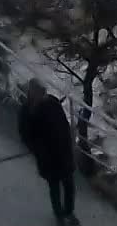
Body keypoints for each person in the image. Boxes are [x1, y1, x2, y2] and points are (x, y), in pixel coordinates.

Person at [18, 77, 79, 225]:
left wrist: (69, 143)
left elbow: (64, 125)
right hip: (47, 156)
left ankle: (68, 212)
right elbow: (26, 135)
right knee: (55, 187)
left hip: (62, 152)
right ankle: (60, 214)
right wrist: (39, 151)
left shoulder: (52, 102)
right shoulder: (26, 111)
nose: (44, 95)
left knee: (69, 185)